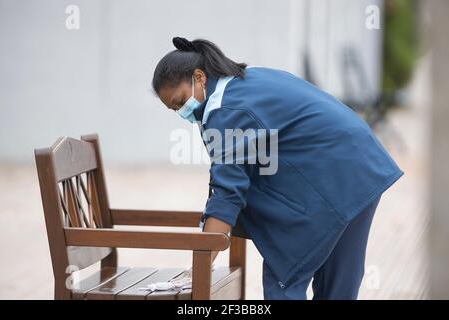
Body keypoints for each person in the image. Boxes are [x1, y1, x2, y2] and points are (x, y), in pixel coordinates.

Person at [151, 37, 404, 300]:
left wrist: (200, 268)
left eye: (181, 101)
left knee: (285, 278)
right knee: (338, 283)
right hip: (363, 166)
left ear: (200, 77)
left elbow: (227, 191)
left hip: (339, 177)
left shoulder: (225, 110)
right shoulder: (247, 81)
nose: (183, 112)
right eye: (174, 109)